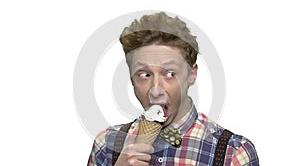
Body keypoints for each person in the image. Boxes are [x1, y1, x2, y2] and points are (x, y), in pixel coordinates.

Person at [88, 12, 259, 166]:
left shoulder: (233, 153)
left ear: (192, 74)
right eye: (144, 74)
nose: (155, 91)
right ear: (131, 78)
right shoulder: (106, 144)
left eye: (170, 73)